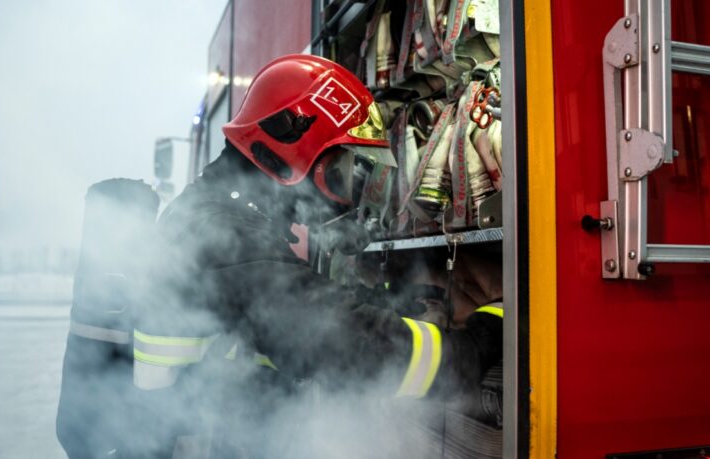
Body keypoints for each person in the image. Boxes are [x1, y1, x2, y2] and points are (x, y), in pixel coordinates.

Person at [131, 54, 503, 458]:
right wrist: (475, 346)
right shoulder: (225, 231)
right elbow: (342, 344)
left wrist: (379, 305)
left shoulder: (218, 213)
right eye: (342, 172)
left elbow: (277, 313)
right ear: (289, 151)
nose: (348, 197)